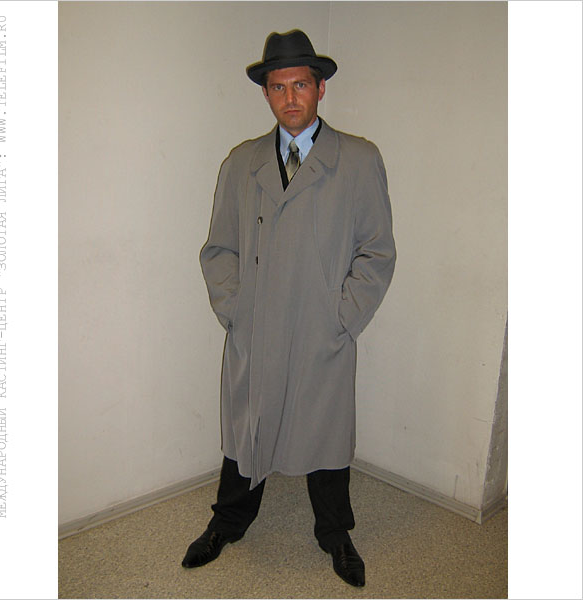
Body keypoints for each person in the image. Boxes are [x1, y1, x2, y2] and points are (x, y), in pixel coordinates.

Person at [183, 29, 396, 588]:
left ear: (320, 88)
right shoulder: (241, 163)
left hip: (320, 328)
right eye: (278, 87)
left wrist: (343, 317)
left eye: (300, 84)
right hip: (256, 328)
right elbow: (219, 249)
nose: (290, 97)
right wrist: (236, 309)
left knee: (325, 433)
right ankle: (229, 521)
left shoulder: (358, 160)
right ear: (266, 93)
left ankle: (335, 533)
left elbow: (377, 251)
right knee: (246, 430)